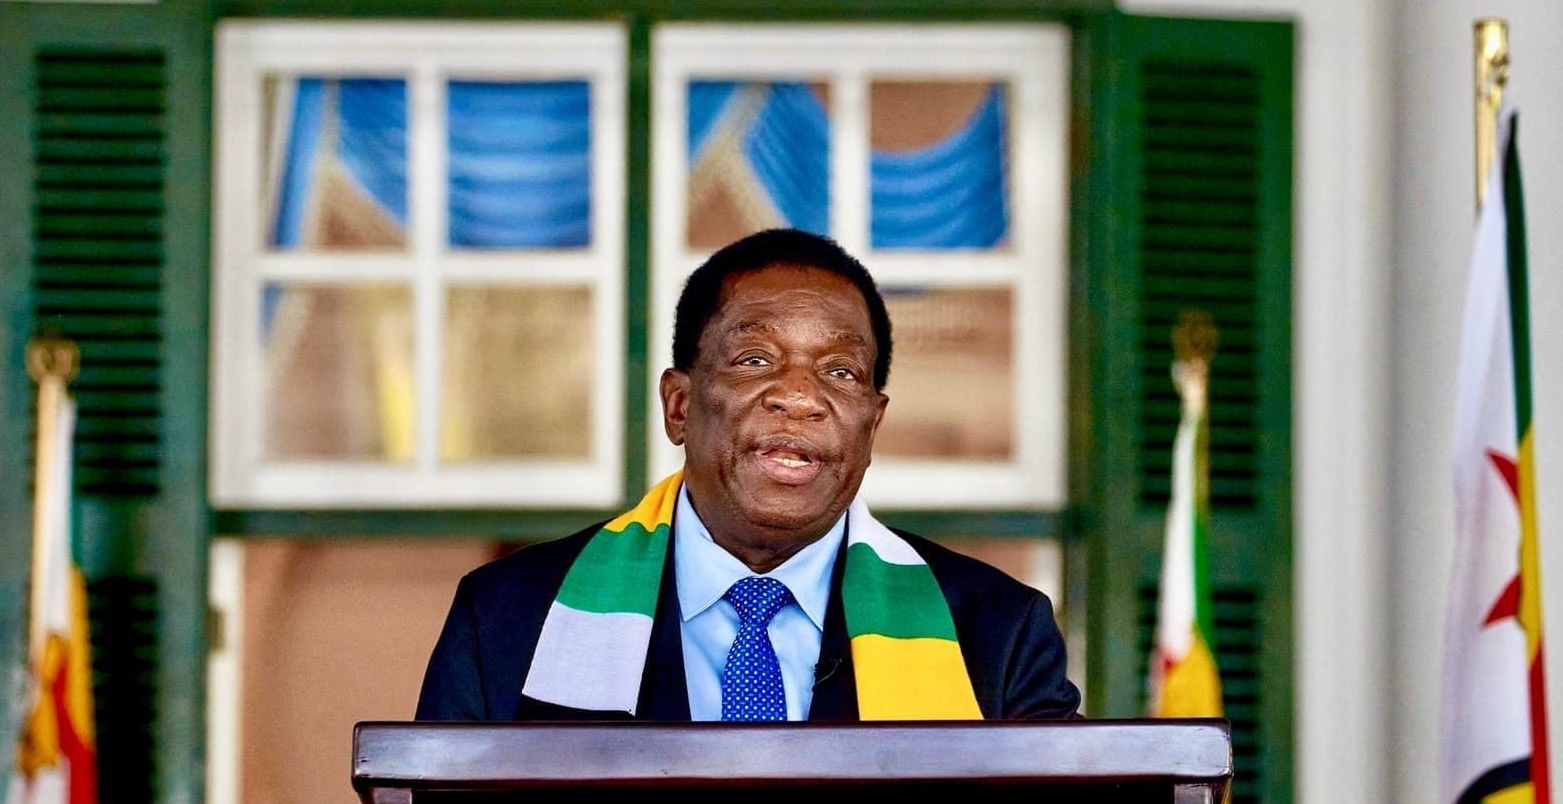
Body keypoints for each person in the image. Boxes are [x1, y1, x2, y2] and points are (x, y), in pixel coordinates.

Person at [414, 228, 1080, 722]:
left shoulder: (998, 636)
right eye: (756, 358)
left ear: (871, 426)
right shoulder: (506, 620)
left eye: (840, 371)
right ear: (679, 405)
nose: (799, 396)